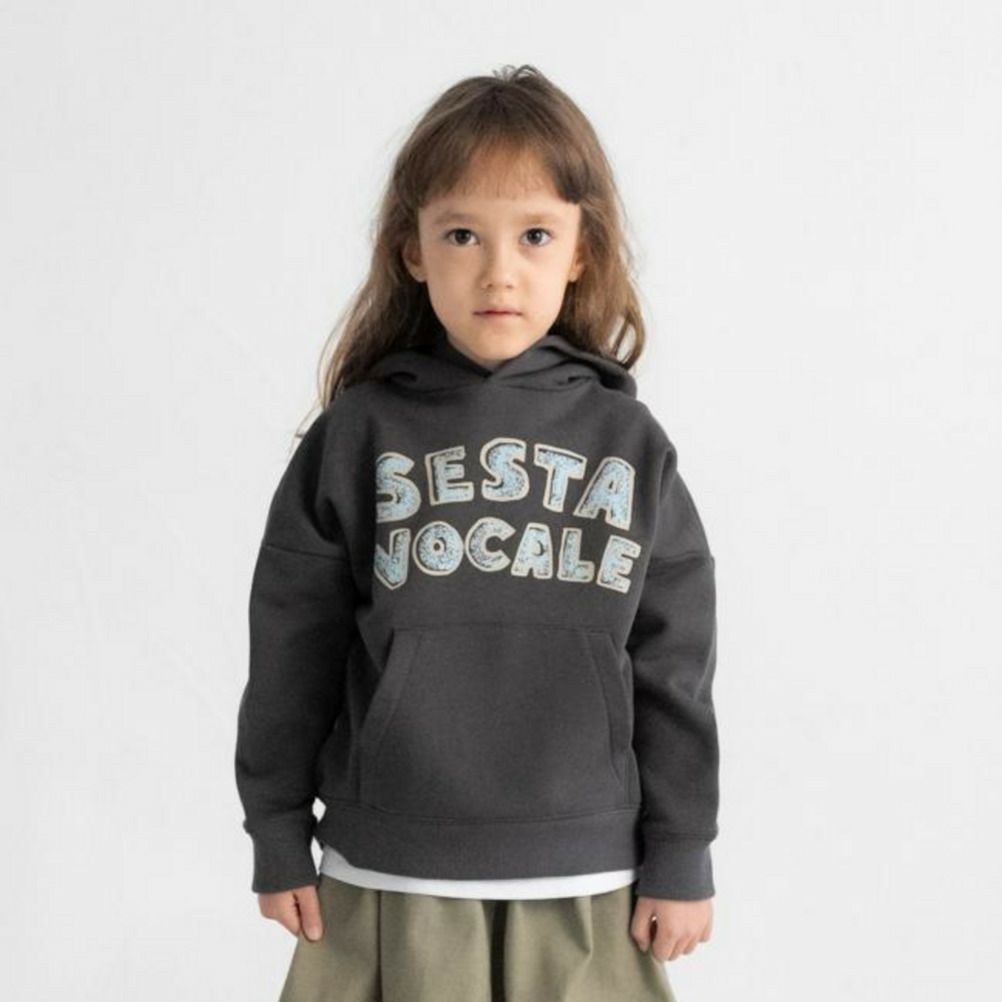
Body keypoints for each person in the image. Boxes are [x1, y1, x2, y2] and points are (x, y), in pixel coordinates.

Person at [234, 63, 720, 1002]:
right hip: (389, 871)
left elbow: (675, 667)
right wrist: (277, 825)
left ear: (581, 251)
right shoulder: (358, 435)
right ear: (413, 250)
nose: (499, 270)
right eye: (462, 234)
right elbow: (292, 646)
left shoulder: (629, 444)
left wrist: (683, 849)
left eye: (535, 234)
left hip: (588, 877)